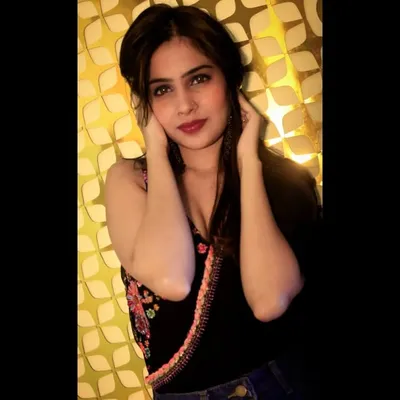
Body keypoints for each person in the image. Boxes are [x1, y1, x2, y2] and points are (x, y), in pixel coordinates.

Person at [105, 4, 323, 399]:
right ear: (145, 103)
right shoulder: (131, 180)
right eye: (162, 90)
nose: (185, 105)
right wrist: (156, 151)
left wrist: (248, 165)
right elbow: (172, 279)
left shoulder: (284, 183)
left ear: (230, 79)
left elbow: (269, 302)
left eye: (199, 79)